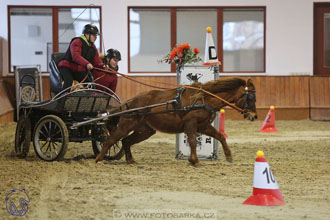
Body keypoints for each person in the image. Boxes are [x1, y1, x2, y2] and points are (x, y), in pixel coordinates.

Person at [58, 24, 105, 90]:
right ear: (87, 34)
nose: (95, 37)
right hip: (67, 67)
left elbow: (96, 62)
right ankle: (62, 99)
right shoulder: (77, 41)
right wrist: (87, 64)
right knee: (68, 82)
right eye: (93, 35)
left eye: (96, 35)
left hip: (78, 69)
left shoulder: (93, 48)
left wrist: (103, 66)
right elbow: (76, 56)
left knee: (90, 84)